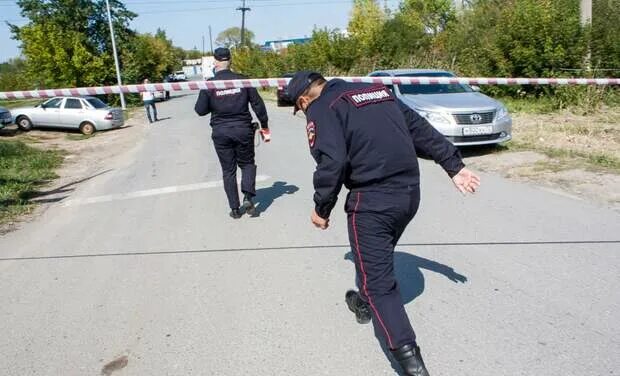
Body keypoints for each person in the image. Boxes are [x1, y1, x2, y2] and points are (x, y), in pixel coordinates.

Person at [287, 71, 480, 376]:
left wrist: (321, 208)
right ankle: (363, 303)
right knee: (373, 260)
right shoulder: (376, 90)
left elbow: (332, 162)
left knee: (379, 285)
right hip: (409, 196)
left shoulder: (322, 107)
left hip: (372, 203)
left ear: (303, 100)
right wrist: (453, 166)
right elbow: (418, 128)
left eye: (301, 110)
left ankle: (412, 365)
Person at [194, 47, 271, 219]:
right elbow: (257, 104)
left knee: (228, 171)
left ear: (215, 62)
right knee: (247, 164)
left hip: (221, 132)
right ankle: (248, 197)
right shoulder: (242, 80)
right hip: (243, 130)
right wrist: (264, 125)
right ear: (230, 61)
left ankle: (235, 209)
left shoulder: (210, 84)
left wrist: (213, 99)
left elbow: (200, 110)